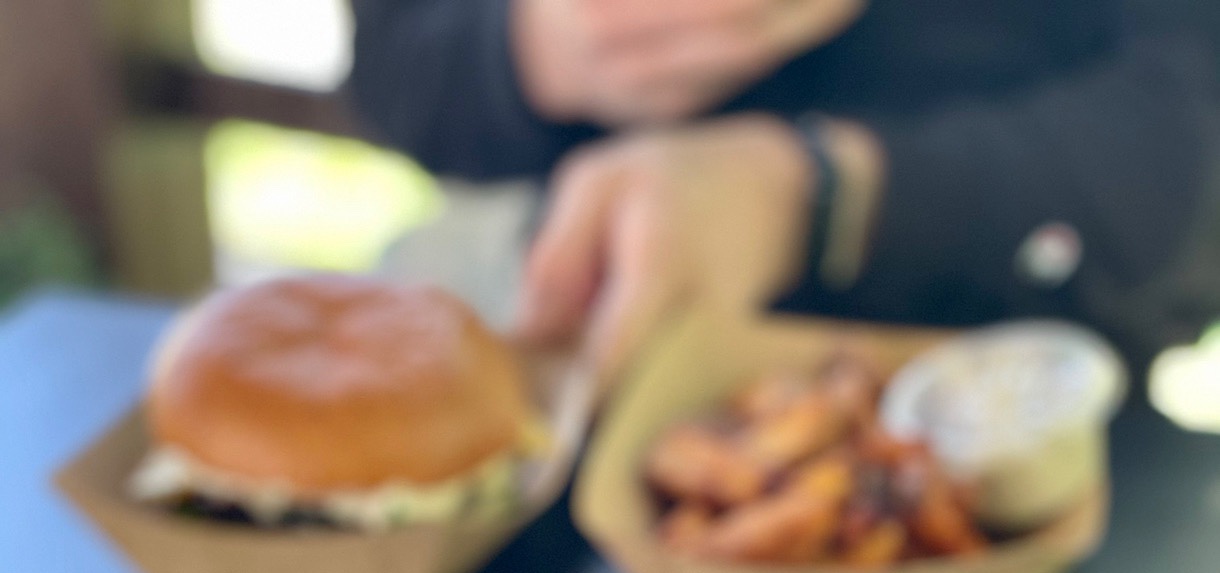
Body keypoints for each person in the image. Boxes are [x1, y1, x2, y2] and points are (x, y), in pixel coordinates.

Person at [349, 0, 1219, 376]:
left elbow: (1190, 151)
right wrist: (543, 46)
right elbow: (397, 61)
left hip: (1033, 412)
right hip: (575, 369)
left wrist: (821, 195)